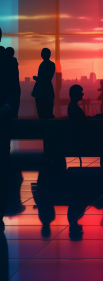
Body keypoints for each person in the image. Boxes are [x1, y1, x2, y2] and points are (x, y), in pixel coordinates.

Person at [0, 28, 21, 230]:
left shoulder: (8, 61)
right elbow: (15, 89)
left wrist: (6, 109)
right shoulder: (9, 61)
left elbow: (15, 89)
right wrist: (7, 108)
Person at [68, 84, 103, 167]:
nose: (82, 94)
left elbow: (82, 122)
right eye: (80, 92)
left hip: (84, 131)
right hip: (86, 134)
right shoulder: (74, 107)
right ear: (76, 94)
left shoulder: (72, 107)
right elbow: (84, 124)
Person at [31, 48, 55, 119]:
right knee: (49, 112)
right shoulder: (52, 64)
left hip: (40, 90)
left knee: (41, 112)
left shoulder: (43, 64)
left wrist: (37, 79)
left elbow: (43, 78)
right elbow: (48, 78)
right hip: (48, 90)